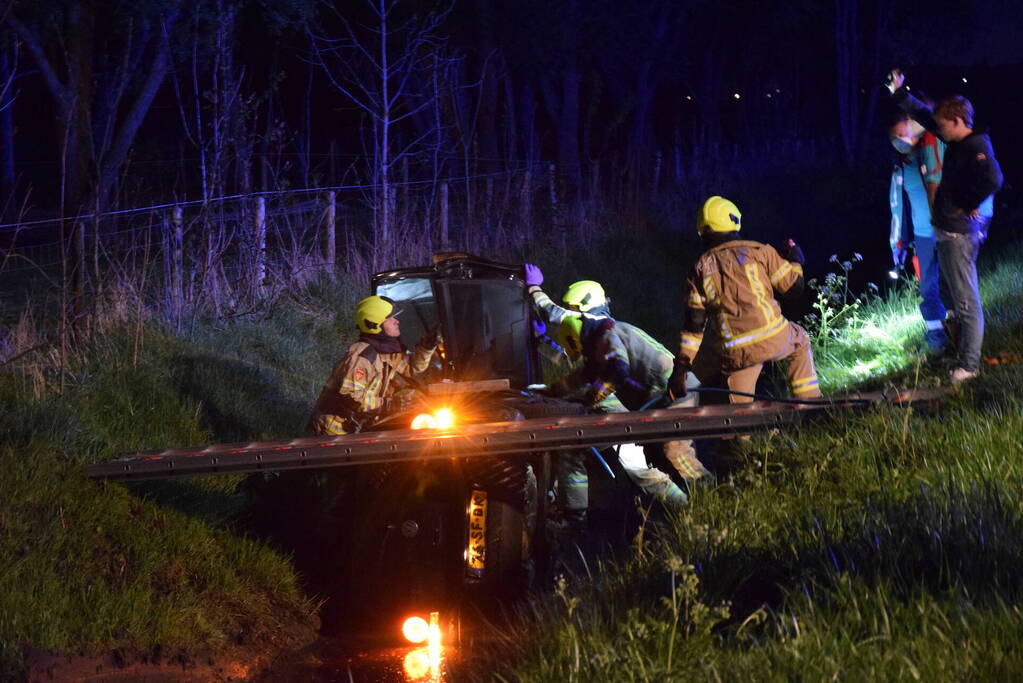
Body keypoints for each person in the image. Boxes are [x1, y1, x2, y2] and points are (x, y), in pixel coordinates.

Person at [885, 69, 1004, 384]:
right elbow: (924, 116)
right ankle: (961, 353)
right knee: (958, 297)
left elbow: (994, 179)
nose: (937, 128)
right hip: (949, 230)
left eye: (942, 124)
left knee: (966, 301)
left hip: (957, 234)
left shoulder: (975, 144)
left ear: (957, 121)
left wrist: (969, 202)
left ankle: (969, 365)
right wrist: (899, 94)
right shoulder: (957, 140)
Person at [669, 196, 820, 406]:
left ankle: (742, 435)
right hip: (773, 337)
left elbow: (693, 327)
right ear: (734, 221)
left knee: (741, 412)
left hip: (734, 352)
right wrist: (796, 260)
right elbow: (793, 288)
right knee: (800, 340)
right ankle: (810, 406)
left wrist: (681, 369)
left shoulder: (698, 270)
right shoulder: (759, 252)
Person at [551, 313, 706, 507]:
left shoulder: (608, 336)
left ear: (577, 341)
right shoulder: (600, 346)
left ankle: (708, 494)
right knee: (658, 459)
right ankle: (687, 507)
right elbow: (579, 378)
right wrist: (550, 391)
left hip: (678, 391)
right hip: (663, 398)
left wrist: (591, 398)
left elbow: (619, 369)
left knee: (675, 451)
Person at [307, 295, 440, 435]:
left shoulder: (384, 352)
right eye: (390, 318)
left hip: (353, 428)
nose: (397, 321)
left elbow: (412, 368)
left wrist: (427, 346)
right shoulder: (362, 358)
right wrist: (389, 404)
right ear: (375, 325)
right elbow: (352, 399)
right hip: (333, 432)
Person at [888, 113, 948, 352]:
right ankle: (936, 337)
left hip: (949, 229)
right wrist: (897, 244)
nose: (903, 137)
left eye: (905, 130)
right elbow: (897, 209)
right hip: (924, 235)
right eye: (897, 135)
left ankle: (961, 332)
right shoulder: (901, 168)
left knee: (953, 282)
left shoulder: (937, 148)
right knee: (928, 287)